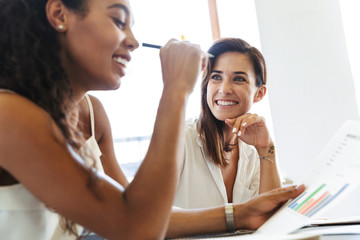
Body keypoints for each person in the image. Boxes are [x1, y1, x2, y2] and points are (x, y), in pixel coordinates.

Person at [0, 0, 304, 240]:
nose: (133, 41)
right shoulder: (8, 113)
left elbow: (139, 211)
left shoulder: (92, 115)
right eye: (119, 21)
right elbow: (135, 227)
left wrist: (241, 215)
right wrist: (175, 90)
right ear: (59, 14)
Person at [174, 38, 281, 209]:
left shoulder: (254, 152)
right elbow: (153, 218)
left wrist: (266, 148)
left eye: (238, 79)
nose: (224, 89)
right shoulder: (180, 140)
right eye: (216, 77)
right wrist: (235, 219)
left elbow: (272, 218)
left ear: (259, 93)